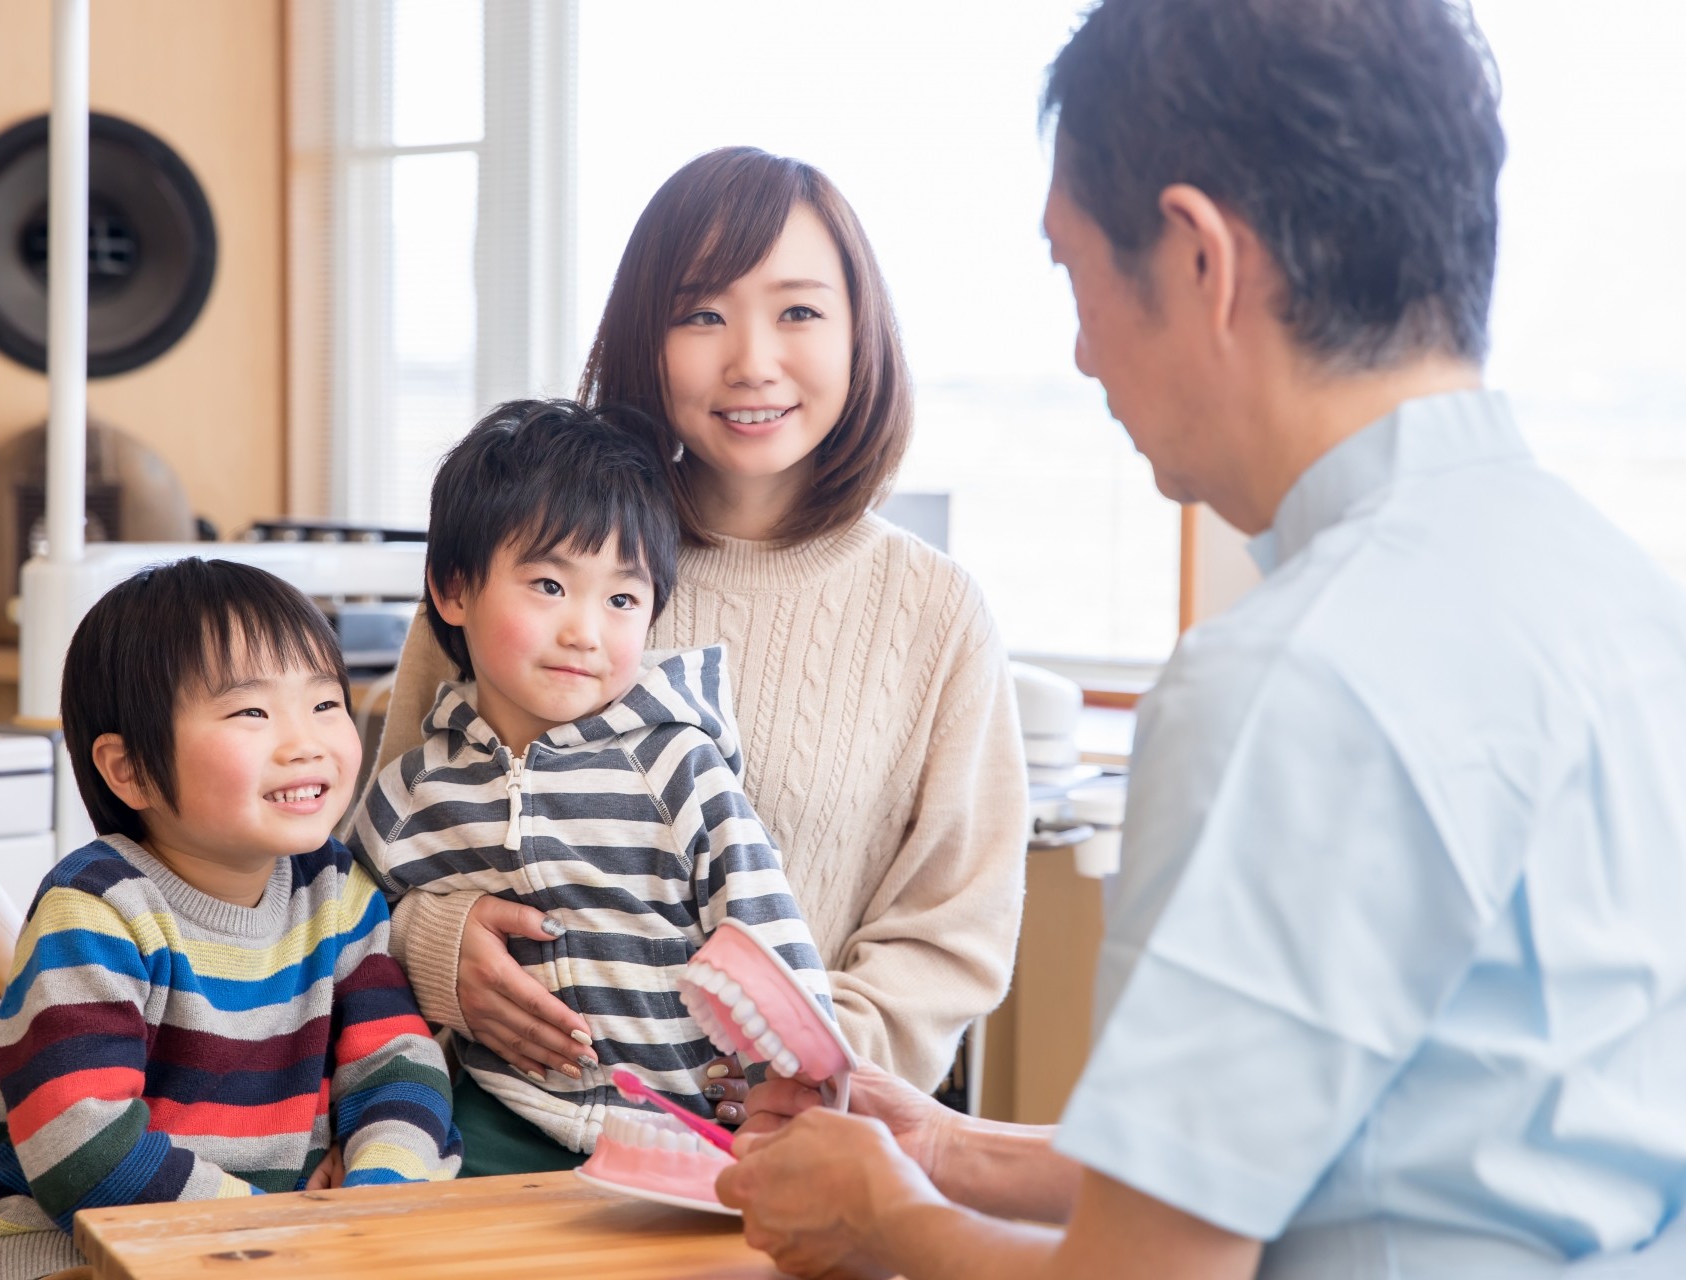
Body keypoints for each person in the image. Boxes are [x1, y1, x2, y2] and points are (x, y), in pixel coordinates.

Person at [713, 0, 1686, 1276]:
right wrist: (949, 1151)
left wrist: (886, 1219)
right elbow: (1353, 1124)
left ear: (1196, 259)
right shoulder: (1625, 599)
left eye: (1074, 276)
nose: (1079, 351)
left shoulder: (1287, 682)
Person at [365, 146, 1028, 1116]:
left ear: (860, 332)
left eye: (799, 311)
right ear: (646, 333)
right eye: (702, 313)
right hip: (490, 1145)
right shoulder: (524, 558)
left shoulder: (937, 612)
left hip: (777, 1157)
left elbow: (947, 937)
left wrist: (798, 1068)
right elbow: (380, 847)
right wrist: (429, 943)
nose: (752, 359)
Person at [0, 559, 461, 1280]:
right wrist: (272, 1227)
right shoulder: (97, 910)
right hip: (64, 1249)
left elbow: (397, 1066)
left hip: (276, 1249)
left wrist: (375, 1194)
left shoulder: (337, 891)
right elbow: (86, 1150)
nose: (304, 741)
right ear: (130, 771)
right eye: (252, 712)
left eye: (325, 704)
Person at [349, 398, 831, 1175]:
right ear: (453, 590)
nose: (586, 631)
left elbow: (767, 933)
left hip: (682, 1127)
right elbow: (344, 937)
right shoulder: (413, 792)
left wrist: (802, 1089)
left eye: (621, 600)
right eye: (548, 585)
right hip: (495, 1116)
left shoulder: (678, 766)